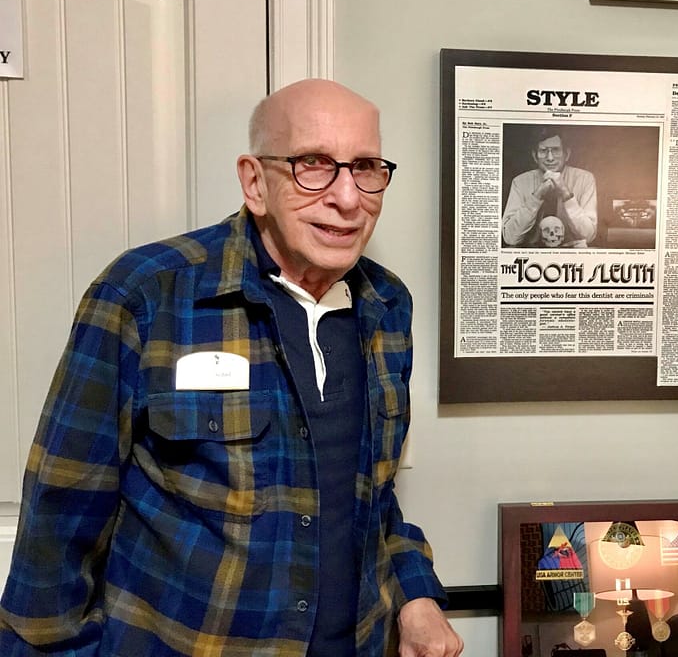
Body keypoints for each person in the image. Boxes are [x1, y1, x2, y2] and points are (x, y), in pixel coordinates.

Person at [0, 80, 463, 657]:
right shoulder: (147, 294)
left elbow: (372, 494)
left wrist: (416, 597)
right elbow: (61, 512)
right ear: (254, 182)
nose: (348, 197)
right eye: (313, 164)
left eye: (366, 167)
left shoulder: (386, 306)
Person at [501, 129, 597, 248]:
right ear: (535, 156)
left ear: (567, 154)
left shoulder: (585, 179)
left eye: (556, 150)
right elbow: (510, 237)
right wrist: (536, 196)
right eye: (543, 151)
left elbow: (589, 235)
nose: (550, 158)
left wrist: (566, 194)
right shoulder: (520, 182)